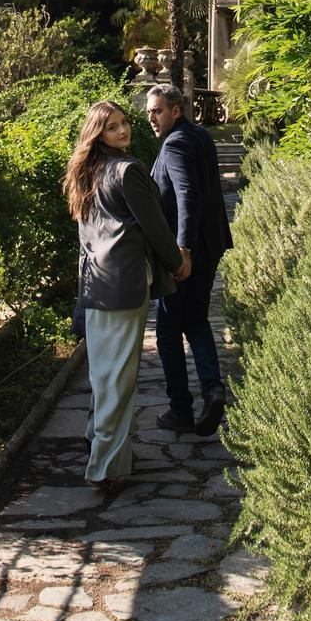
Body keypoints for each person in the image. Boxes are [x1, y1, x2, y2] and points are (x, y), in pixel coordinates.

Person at [64, 99, 188, 487]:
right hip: (124, 284)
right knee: (118, 377)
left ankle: (99, 443)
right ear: (97, 133)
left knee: (105, 374)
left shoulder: (86, 171)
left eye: (123, 123)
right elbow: (155, 226)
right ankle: (105, 466)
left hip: (95, 283)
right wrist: (177, 261)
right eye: (112, 126)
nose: (123, 130)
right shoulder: (127, 170)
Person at [146, 82, 233, 437]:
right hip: (210, 246)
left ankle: (180, 409)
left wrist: (183, 250)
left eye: (157, 111)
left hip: (187, 254)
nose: (152, 118)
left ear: (176, 110)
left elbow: (187, 194)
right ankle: (212, 389)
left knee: (168, 329)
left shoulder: (176, 143)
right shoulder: (200, 136)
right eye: (149, 112)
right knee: (196, 319)